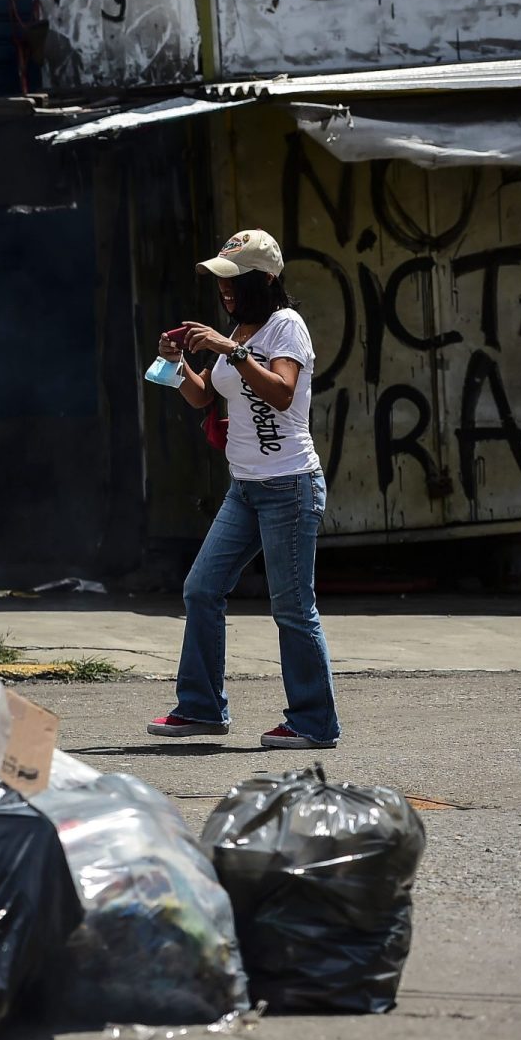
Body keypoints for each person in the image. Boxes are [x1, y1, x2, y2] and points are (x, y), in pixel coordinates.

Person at [146, 228, 341, 750]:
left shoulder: (285, 327)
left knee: (292, 608)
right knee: (201, 589)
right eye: (220, 281)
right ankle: (202, 709)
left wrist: (229, 348)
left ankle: (314, 723)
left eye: (235, 280)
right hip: (246, 489)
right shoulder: (240, 330)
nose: (225, 290)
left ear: (266, 279)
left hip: (290, 486)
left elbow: (280, 393)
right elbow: (202, 397)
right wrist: (175, 361)